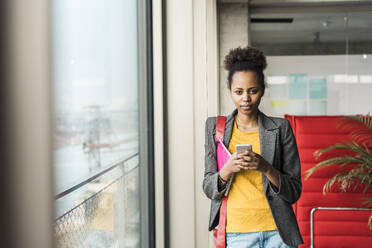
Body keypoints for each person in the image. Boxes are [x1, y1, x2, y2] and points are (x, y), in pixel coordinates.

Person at [203, 46, 303, 248]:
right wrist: (227, 170)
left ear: (263, 90)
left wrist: (266, 167)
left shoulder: (281, 128)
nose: (246, 99)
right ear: (230, 91)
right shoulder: (216, 127)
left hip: (278, 232)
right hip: (237, 232)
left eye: (253, 91)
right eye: (238, 92)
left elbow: (294, 191)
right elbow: (208, 188)